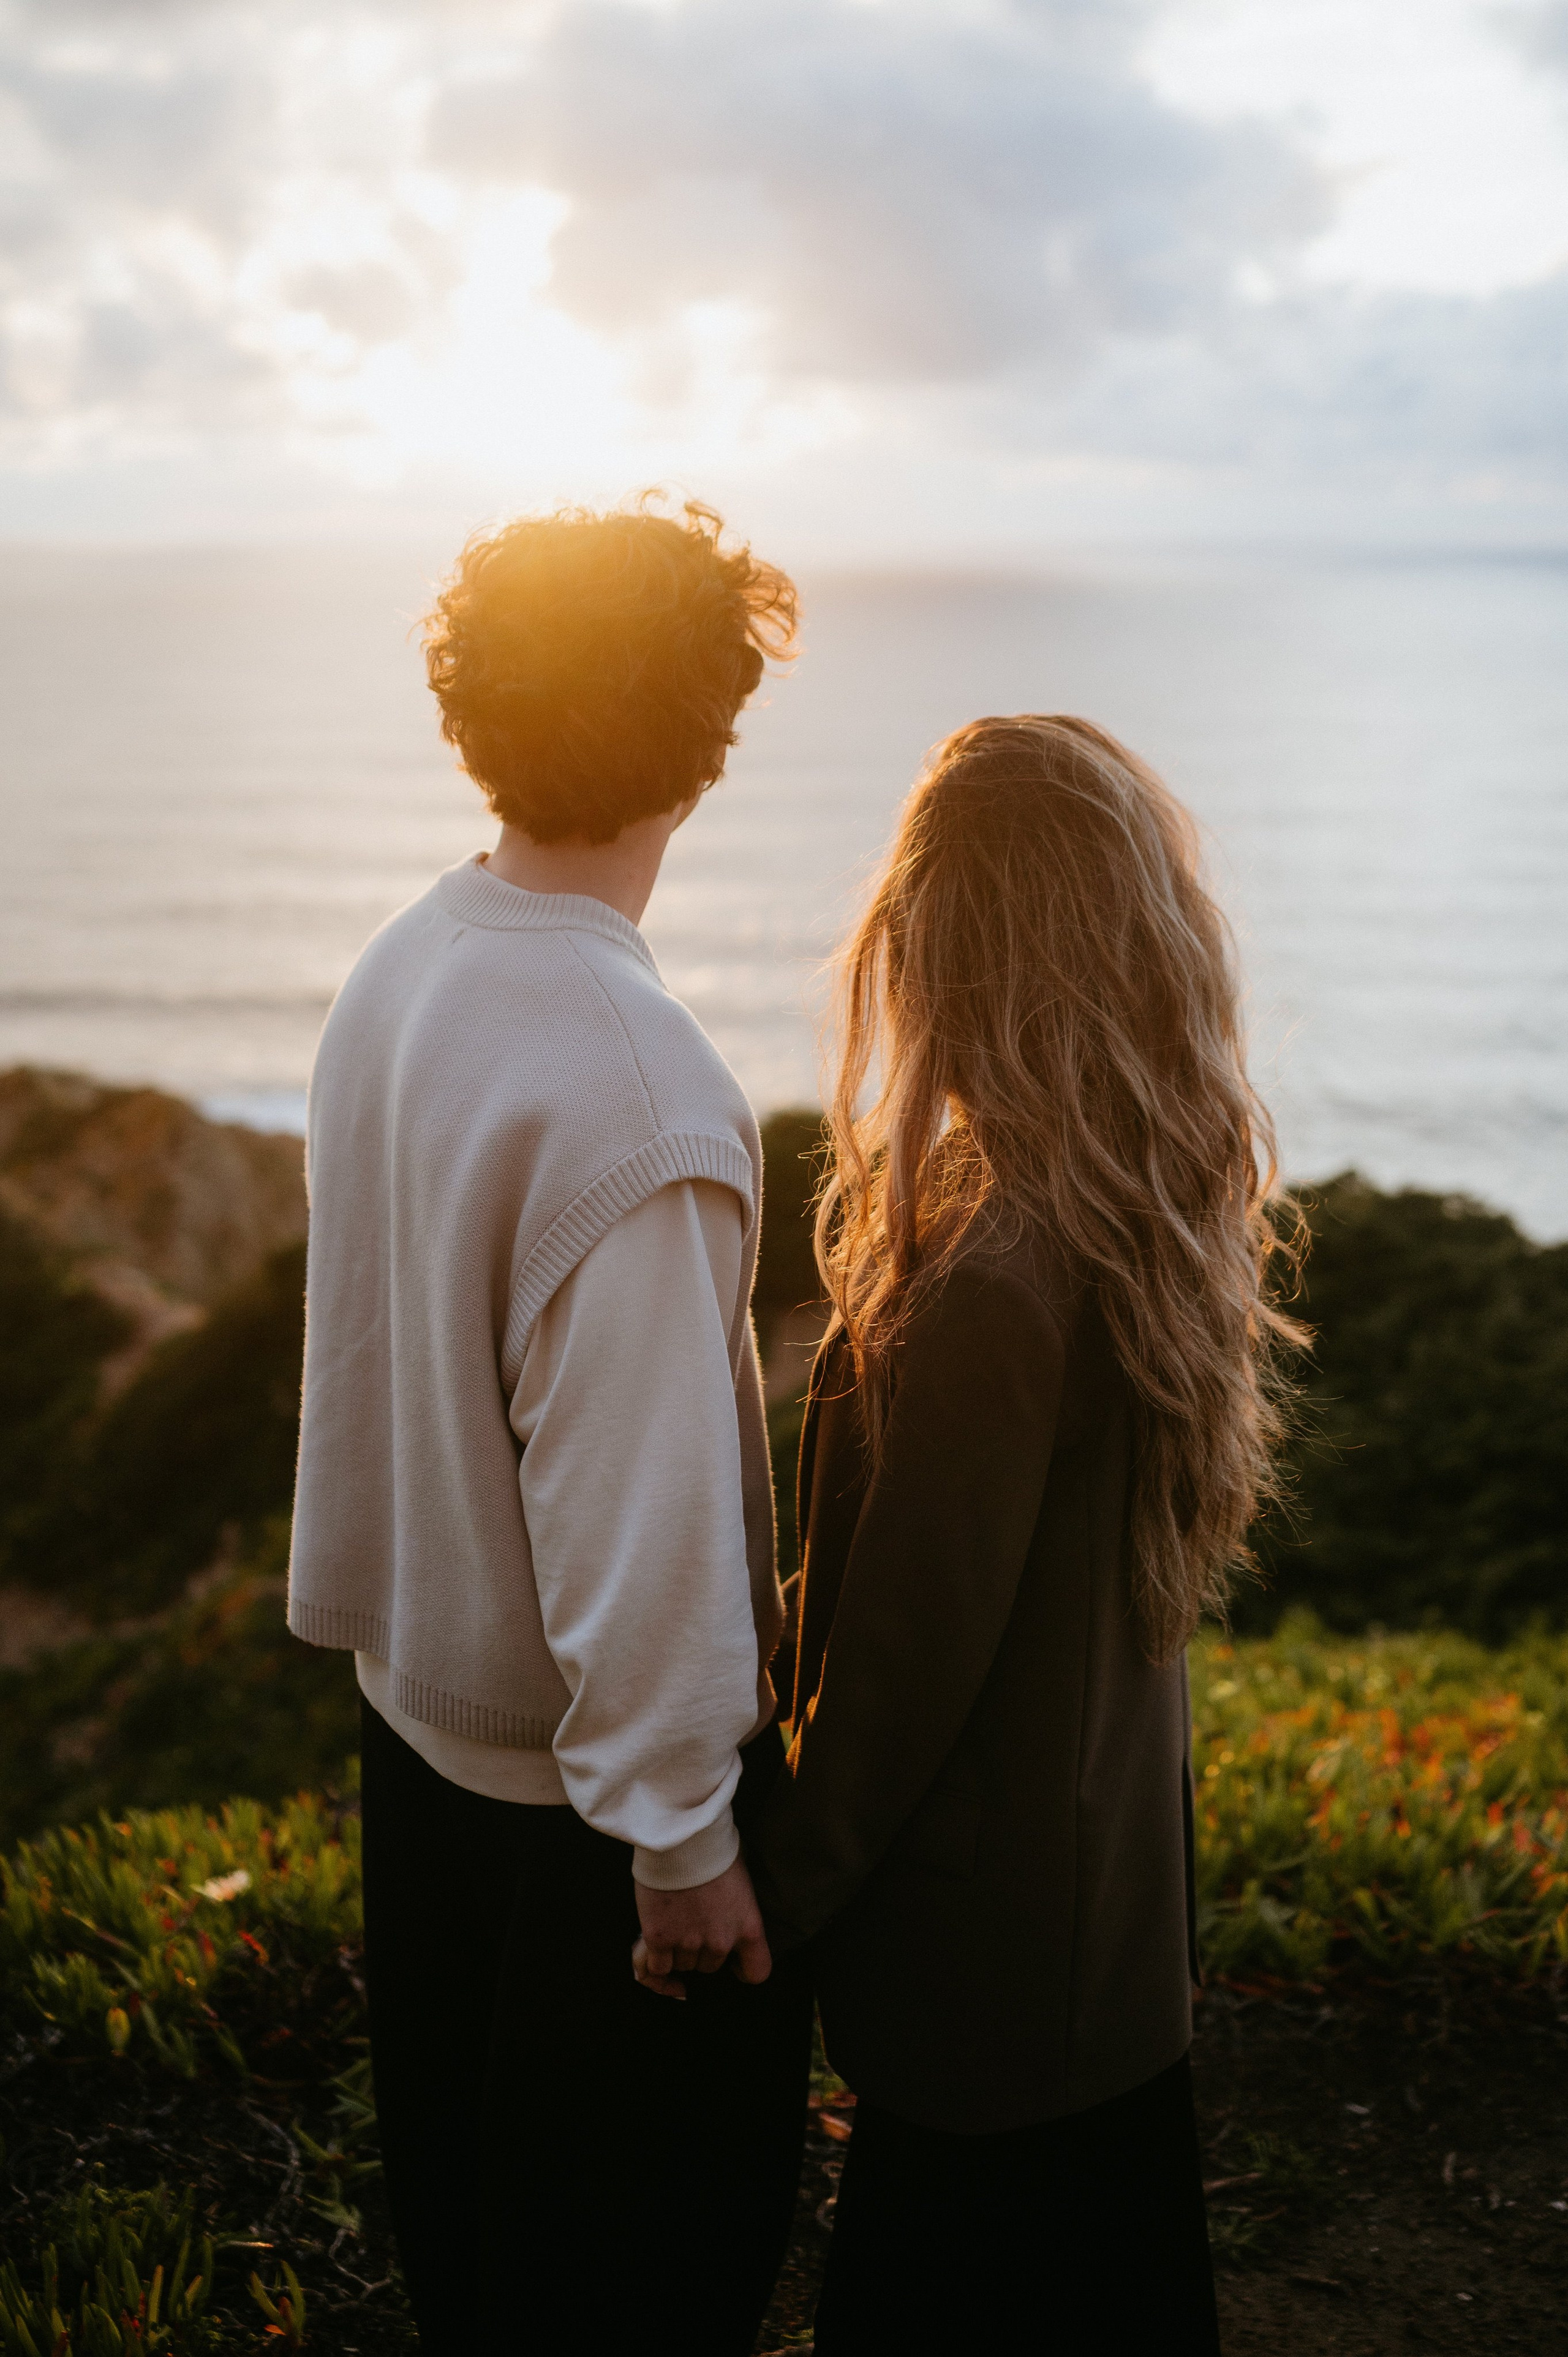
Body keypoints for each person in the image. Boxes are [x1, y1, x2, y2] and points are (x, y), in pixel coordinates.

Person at [287, 497, 814, 2356]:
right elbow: (639, 1506)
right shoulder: (639, 1090)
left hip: (417, 1736)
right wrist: (682, 1848)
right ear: (709, 736)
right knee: (644, 2279)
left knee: (478, 2251)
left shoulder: (403, 964)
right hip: (587, 1834)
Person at [747, 715, 1303, 2355]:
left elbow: (908, 1659)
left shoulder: (997, 1274)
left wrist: (770, 1897)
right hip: (1103, 1957)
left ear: (948, 949)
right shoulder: (1141, 1208)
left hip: (984, 1993)